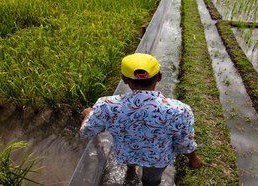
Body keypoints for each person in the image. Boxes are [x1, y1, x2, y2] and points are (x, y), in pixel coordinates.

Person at [80, 53, 203, 186]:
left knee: (130, 159)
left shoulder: (107, 106)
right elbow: (184, 141)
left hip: (126, 153)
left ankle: (131, 169)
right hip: (157, 160)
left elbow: (86, 132)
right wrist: (193, 158)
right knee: (151, 181)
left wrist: (89, 114)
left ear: (124, 79)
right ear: (160, 77)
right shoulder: (179, 109)